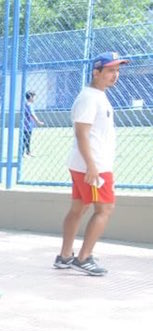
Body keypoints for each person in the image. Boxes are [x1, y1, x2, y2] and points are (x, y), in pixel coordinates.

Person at [56, 51, 128, 276]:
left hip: (86, 165)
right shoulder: (89, 97)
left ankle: (65, 256)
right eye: (110, 71)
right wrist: (93, 166)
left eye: (117, 71)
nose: (115, 75)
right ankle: (83, 257)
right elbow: (82, 134)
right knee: (105, 209)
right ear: (96, 72)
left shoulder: (97, 95)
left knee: (79, 208)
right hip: (94, 167)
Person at [22, 90, 44, 156]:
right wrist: (38, 121)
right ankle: (22, 153)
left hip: (28, 124)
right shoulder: (29, 105)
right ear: (31, 97)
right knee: (25, 139)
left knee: (27, 139)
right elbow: (32, 114)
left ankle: (28, 152)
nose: (34, 98)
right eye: (34, 97)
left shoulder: (27, 104)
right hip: (27, 125)